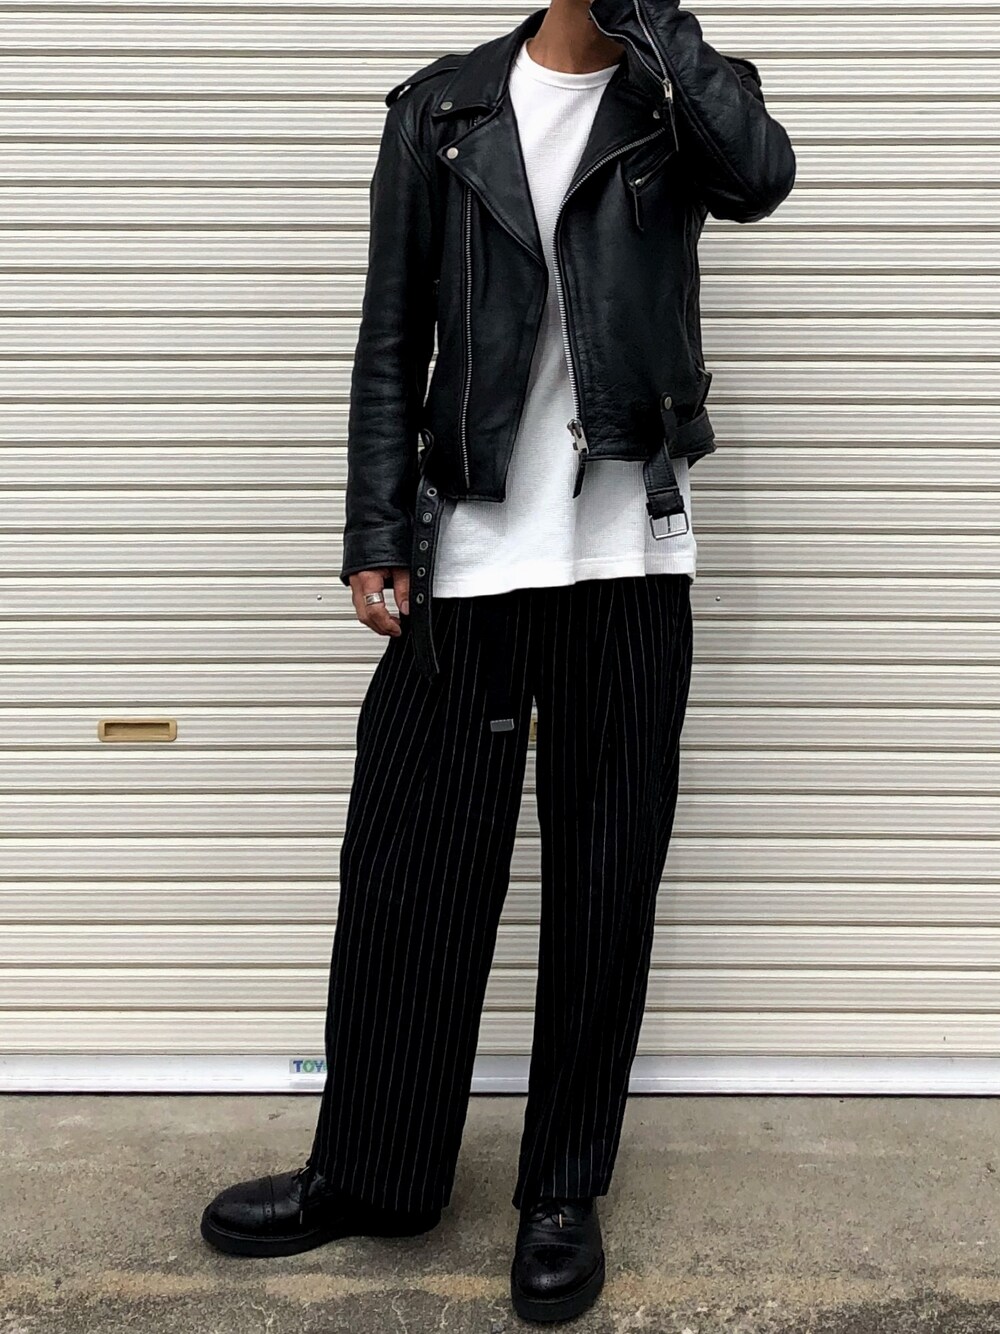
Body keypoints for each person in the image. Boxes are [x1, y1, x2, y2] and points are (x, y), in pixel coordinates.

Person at [200, 0, 795, 1322]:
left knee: (604, 882)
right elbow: (391, 331)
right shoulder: (442, 108)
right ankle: (375, 1172)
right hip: (469, 550)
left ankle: (562, 1192)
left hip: (629, 560)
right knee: (408, 870)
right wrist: (375, 529)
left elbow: (762, 176)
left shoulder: (682, 97)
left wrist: (662, 34)